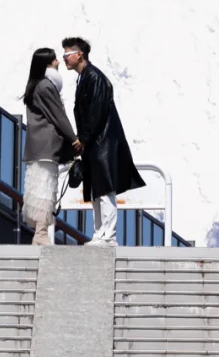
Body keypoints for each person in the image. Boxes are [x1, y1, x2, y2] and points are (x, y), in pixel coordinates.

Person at [62, 36, 145, 246]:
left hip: (102, 142)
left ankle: (108, 235)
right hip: (96, 143)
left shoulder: (94, 77)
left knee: (105, 188)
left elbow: (96, 112)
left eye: (67, 54)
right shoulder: (85, 77)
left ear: (79, 54)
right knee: (98, 189)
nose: (64, 58)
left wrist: (84, 138)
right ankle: (100, 233)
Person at [21, 47, 79, 245]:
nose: (58, 62)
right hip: (47, 146)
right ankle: (41, 233)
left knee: (38, 188)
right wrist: (74, 139)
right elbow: (58, 116)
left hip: (36, 146)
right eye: (54, 60)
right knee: (46, 188)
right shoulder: (46, 87)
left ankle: (40, 231)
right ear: (47, 64)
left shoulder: (35, 85)